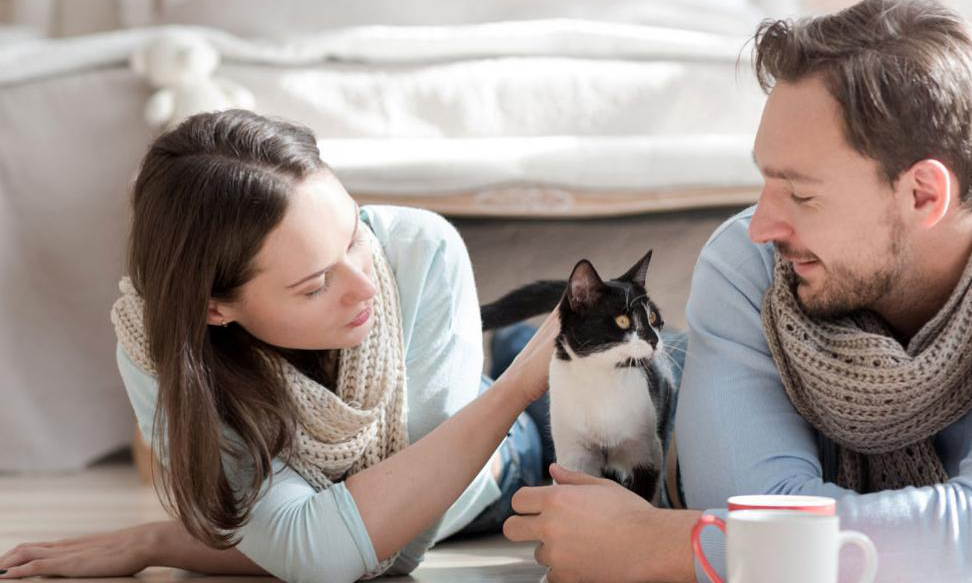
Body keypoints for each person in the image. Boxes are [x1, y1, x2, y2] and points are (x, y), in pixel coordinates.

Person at [502, 0, 972, 582]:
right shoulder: (751, 266)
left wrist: (660, 544)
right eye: (765, 180)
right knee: (514, 415)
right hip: (625, 405)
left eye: (801, 193)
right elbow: (756, 513)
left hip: (654, 427)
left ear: (923, 194)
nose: (761, 225)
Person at [0, 110, 560, 581]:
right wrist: (160, 541)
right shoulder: (159, 352)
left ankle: (513, 350)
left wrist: (519, 386)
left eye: (354, 237)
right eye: (316, 285)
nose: (366, 286)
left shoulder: (421, 251)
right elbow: (327, 554)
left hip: (509, 451)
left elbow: (390, 544)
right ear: (214, 309)